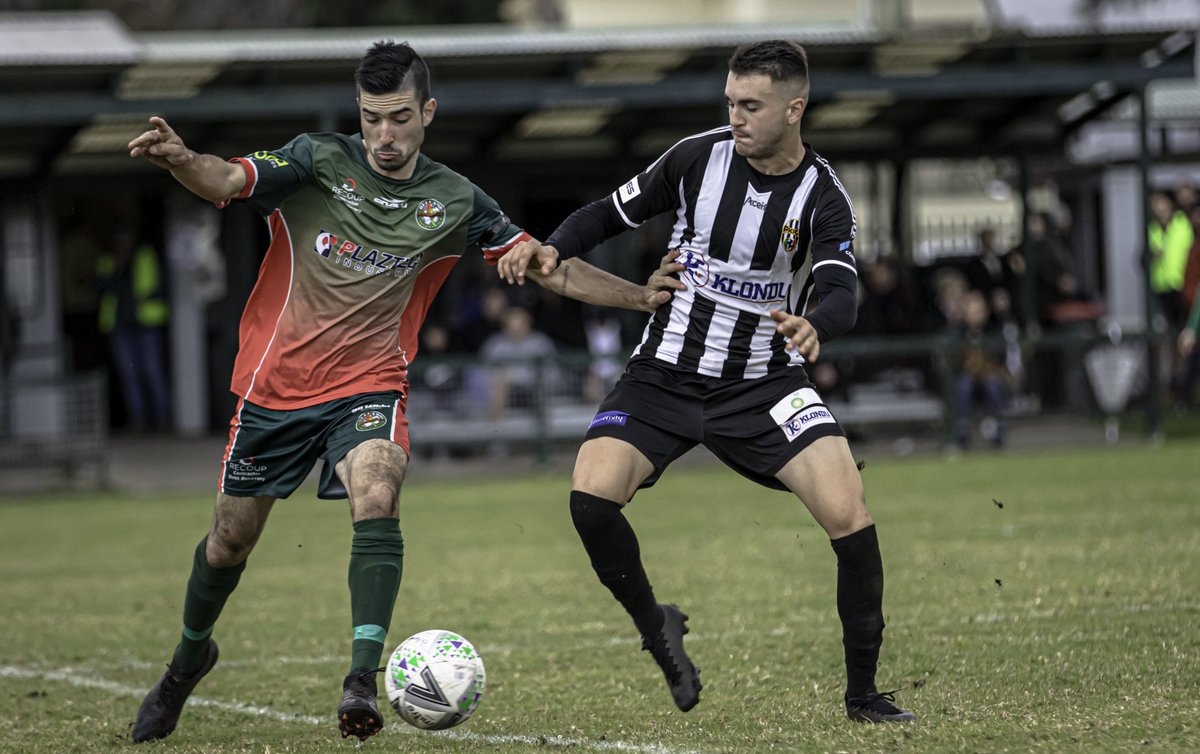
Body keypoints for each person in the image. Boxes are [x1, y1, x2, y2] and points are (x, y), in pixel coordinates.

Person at [125, 40, 677, 745]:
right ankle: (186, 661)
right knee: (229, 543)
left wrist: (640, 298)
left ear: (428, 113)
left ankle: (362, 679)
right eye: (371, 119)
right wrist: (181, 159)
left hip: (369, 384)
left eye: (398, 118)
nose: (383, 135)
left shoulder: (455, 199)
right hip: (275, 389)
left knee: (378, 491)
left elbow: (546, 266)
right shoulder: (314, 161)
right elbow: (224, 180)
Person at [498, 39, 915, 723]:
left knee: (851, 514)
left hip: (763, 384)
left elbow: (841, 284)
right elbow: (609, 212)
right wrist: (556, 246)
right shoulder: (696, 158)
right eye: (730, 102)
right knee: (590, 498)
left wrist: (818, 326)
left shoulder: (822, 194)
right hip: (663, 374)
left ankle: (863, 695)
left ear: (794, 108)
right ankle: (655, 624)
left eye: (751, 105)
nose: (737, 116)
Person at [96, 229, 171, 432]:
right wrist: (117, 267)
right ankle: (138, 423)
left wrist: (146, 296)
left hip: (146, 324)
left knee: (153, 373)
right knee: (130, 377)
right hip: (120, 327)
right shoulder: (108, 260)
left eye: (126, 238)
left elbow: (165, 285)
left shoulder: (145, 255)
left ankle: (163, 422)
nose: (123, 243)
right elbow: (100, 290)